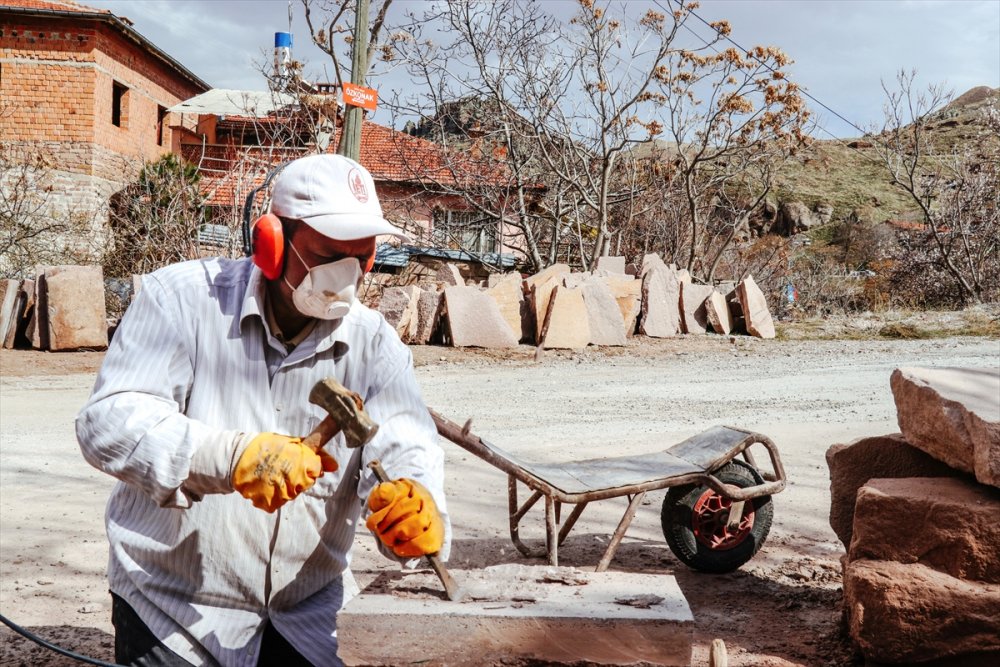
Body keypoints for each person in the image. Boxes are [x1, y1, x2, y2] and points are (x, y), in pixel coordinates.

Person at [76, 154, 450, 667]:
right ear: (271, 245)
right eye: (328, 256)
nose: (344, 277)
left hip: (304, 616)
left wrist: (415, 500)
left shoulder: (375, 346)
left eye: (360, 259)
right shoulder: (181, 300)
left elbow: (407, 444)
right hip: (173, 608)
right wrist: (231, 457)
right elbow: (108, 422)